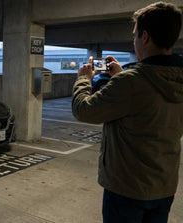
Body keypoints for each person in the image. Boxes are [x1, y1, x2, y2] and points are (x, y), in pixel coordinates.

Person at [72, 2, 183, 223]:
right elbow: (149, 105)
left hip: (127, 189)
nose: (134, 42)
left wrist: (83, 80)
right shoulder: (176, 77)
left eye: (134, 36)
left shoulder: (131, 82)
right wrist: (121, 76)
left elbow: (84, 110)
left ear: (145, 37)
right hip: (164, 185)